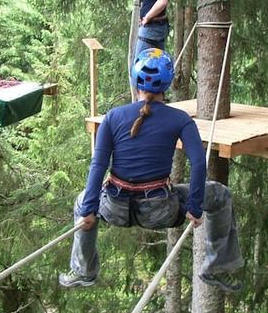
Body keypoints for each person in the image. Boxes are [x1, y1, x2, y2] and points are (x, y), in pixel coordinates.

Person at [59, 48, 244, 292]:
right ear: (167, 84)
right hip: (158, 210)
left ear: (135, 82)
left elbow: (98, 165)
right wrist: (195, 207)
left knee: (82, 201)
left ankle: (84, 270)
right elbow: (198, 164)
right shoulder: (180, 119)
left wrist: (89, 211)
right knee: (220, 195)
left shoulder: (113, 117)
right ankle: (216, 267)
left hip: (114, 207)